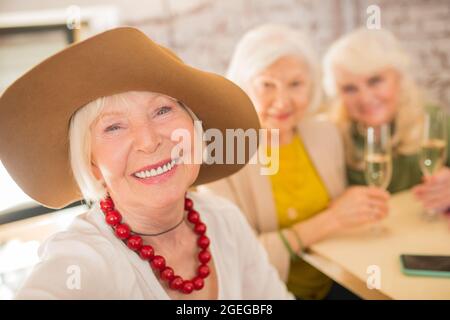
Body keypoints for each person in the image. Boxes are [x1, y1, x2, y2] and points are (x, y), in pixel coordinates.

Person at [0, 27, 292, 300]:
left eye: (163, 110)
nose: (149, 141)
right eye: (113, 127)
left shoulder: (224, 220)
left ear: (195, 128)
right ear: (91, 164)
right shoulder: (81, 260)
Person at [200, 24, 389, 300]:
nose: (283, 101)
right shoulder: (222, 157)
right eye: (267, 85)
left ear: (311, 86)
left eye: (295, 84)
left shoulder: (325, 133)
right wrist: (332, 219)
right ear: (243, 87)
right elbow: (239, 260)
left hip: (340, 280)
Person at [323, 28, 450, 212]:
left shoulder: (433, 122)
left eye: (375, 81)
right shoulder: (330, 134)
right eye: (350, 88)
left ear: (398, 78)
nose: (365, 98)